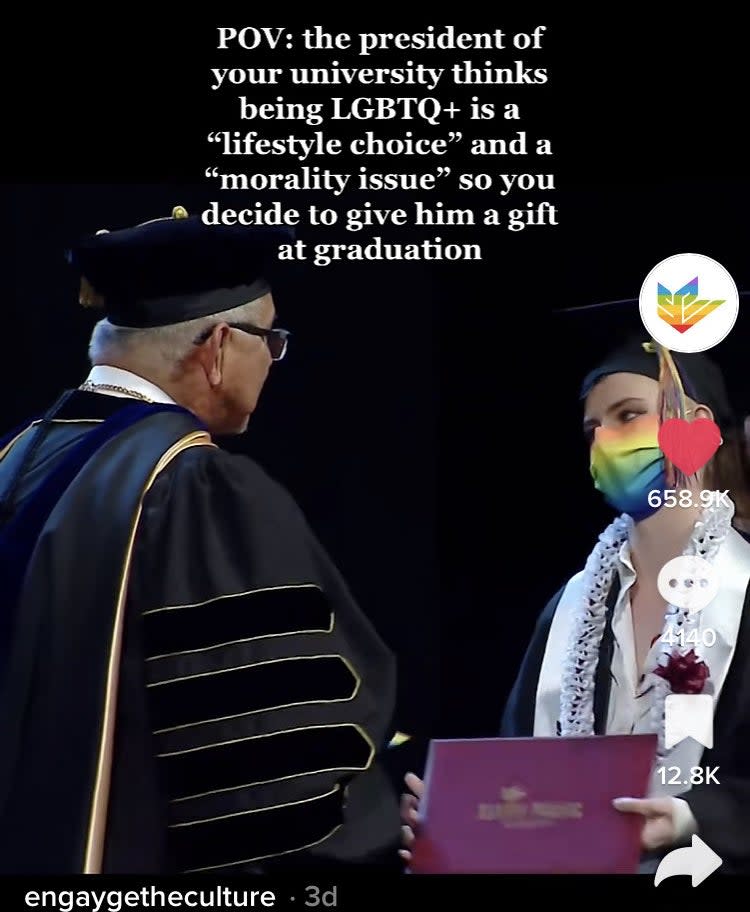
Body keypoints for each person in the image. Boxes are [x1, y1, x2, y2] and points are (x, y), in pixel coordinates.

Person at [0, 207, 402, 874]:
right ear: (218, 347)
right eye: (269, 339)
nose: (274, 361)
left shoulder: (18, 454)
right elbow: (263, 761)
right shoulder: (196, 488)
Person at [402, 303, 750, 873]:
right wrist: (455, 820)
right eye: (593, 428)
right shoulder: (569, 610)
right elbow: (525, 778)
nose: (605, 442)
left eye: (628, 415)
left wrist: (691, 817)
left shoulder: (747, 591)